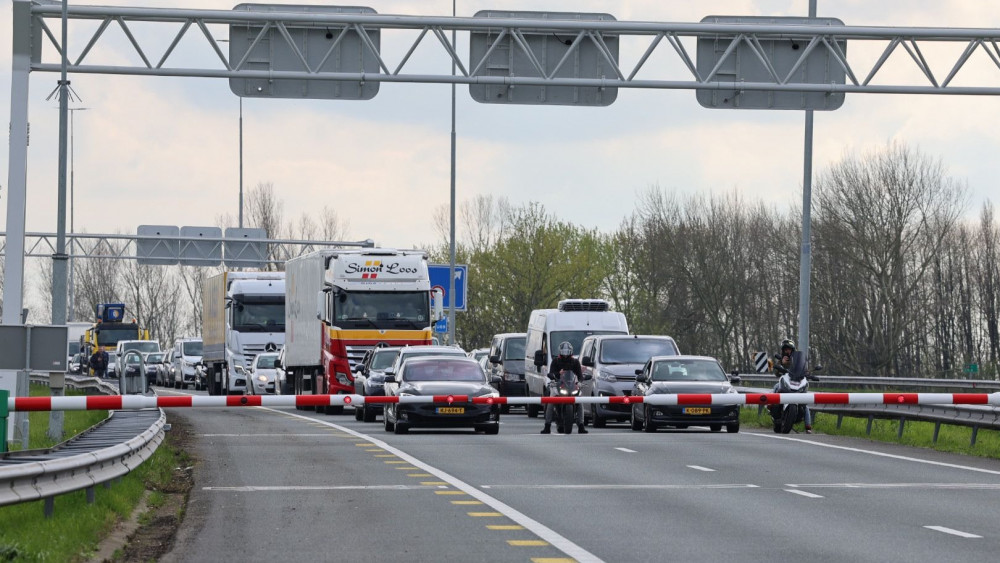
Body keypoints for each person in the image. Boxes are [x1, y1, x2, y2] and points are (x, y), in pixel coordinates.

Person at [541, 341, 587, 435]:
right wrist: (557, 374)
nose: (565, 354)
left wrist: (580, 382)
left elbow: (580, 375)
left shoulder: (575, 362)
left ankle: (581, 425)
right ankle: (547, 425)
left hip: (572, 386)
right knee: (550, 401)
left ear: (571, 352)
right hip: (558, 386)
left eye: (567, 351)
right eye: (564, 351)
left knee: (580, 401)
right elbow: (550, 373)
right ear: (560, 352)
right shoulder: (556, 361)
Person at [772, 339, 812, 434]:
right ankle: (772, 407)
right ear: (783, 350)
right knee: (775, 387)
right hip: (786, 381)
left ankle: (808, 426)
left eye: (789, 349)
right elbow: (776, 373)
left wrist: (808, 373)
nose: (787, 351)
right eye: (785, 349)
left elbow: (803, 370)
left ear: (792, 350)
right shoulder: (781, 359)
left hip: (796, 383)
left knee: (805, 403)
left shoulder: (798, 360)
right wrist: (782, 363)